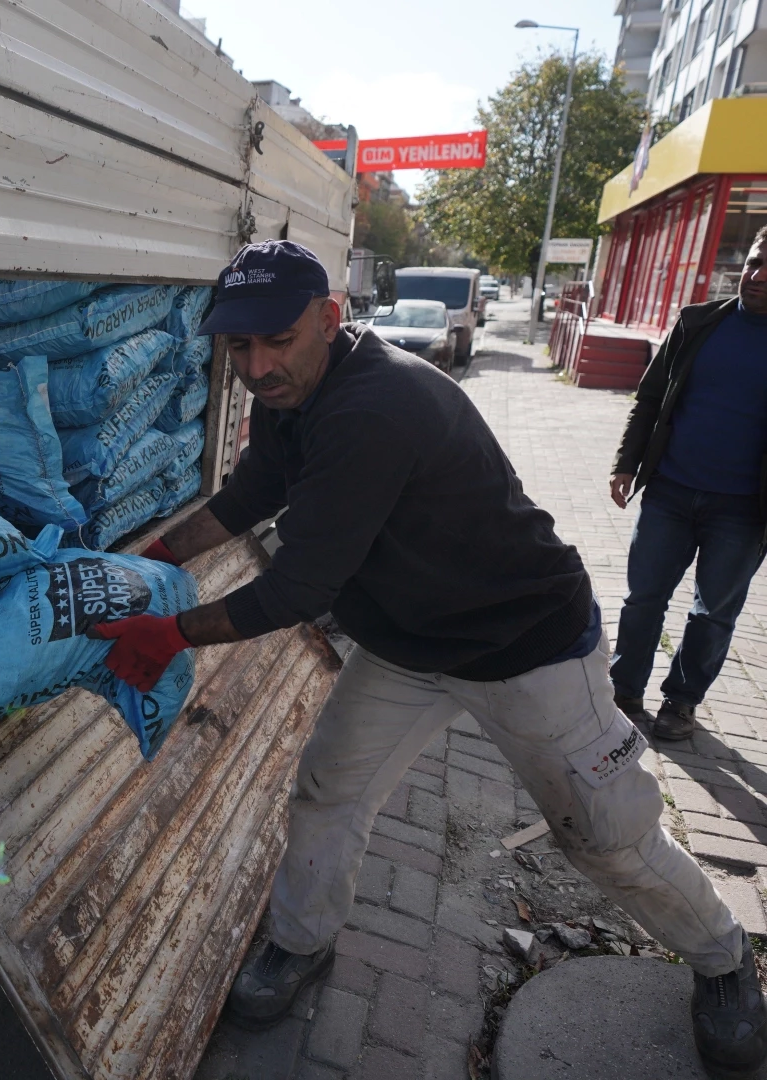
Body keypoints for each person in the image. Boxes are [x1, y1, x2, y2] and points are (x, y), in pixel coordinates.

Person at [88, 240, 764, 1076]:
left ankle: (724, 960)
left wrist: (170, 632)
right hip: (411, 644)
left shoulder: (374, 408)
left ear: (330, 321)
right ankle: (301, 944)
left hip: (527, 645)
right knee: (329, 788)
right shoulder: (288, 392)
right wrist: (156, 556)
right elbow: (251, 494)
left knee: (604, 836)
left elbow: (296, 590)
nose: (258, 366)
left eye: (277, 341)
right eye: (239, 347)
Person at [608, 226, 767, 742]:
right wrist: (625, 464)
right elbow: (650, 398)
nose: (758, 277)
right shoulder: (698, 323)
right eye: (754, 262)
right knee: (642, 599)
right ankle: (622, 689)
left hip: (744, 509)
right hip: (670, 491)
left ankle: (680, 701)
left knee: (714, 613)